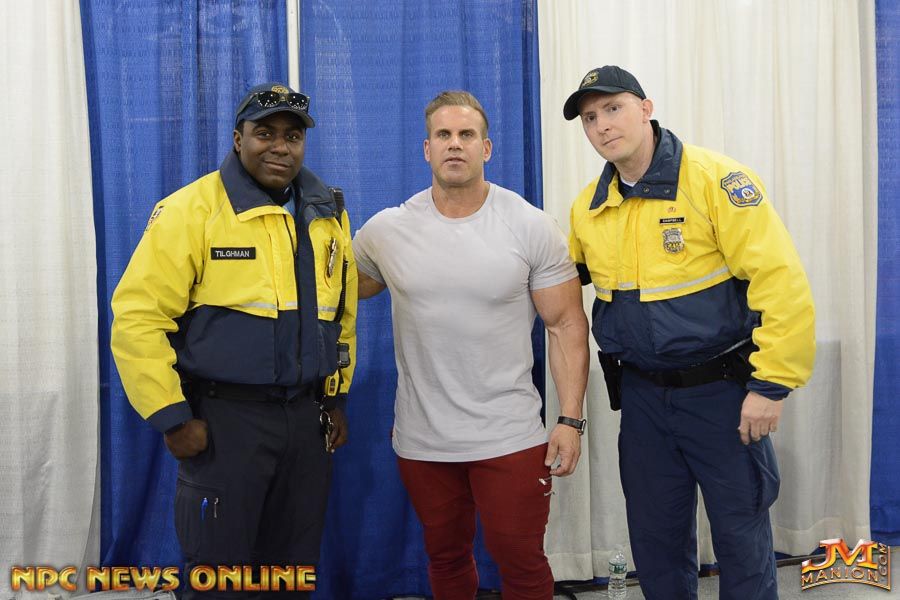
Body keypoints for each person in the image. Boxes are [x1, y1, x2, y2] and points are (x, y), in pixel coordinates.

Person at [564, 65, 816, 600]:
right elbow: (559, 285)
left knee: (741, 538)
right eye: (589, 117)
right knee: (655, 540)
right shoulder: (590, 208)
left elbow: (781, 283)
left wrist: (772, 385)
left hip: (722, 394)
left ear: (646, 108)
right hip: (643, 400)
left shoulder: (715, 181)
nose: (602, 124)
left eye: (613, 108)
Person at [111, 82, 357, 599]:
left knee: (292, 571)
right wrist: (171, 416)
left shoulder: (326, 212)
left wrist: (334, 397)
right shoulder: (191, 211)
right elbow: (137, 318)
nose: (280, 147)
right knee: (219, 576)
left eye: (292, 136)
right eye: (264, 133)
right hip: (226, 424)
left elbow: (341, 315)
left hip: (304, 422)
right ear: (238, 138)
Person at [352, 91, 590, 600]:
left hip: (509, 435)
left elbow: (567, 325)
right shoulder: (388, 231)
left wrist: (570, 421)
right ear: (427, 149)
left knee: (522, 565)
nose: (454, 144)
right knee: (445, 558)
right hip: (423, 438)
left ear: (486, 148)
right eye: (443, 135)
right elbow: (342, 290)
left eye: (466, 135)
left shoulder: (529, 225)